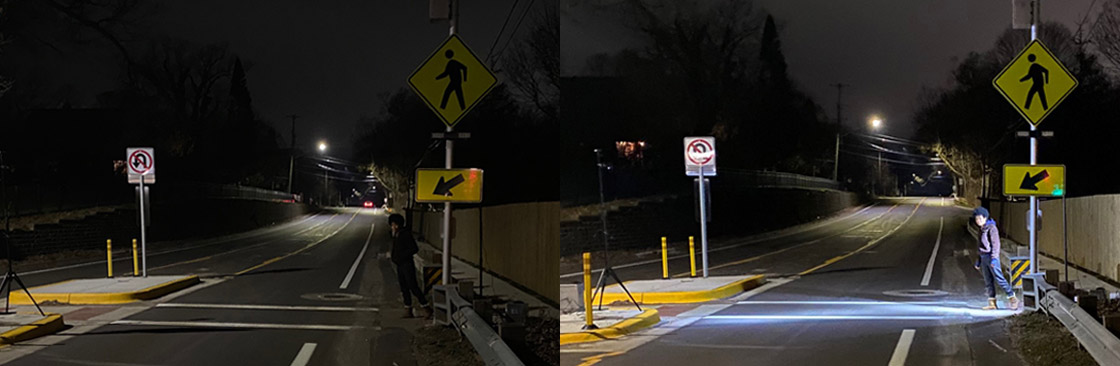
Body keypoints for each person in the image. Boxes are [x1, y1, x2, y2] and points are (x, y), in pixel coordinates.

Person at [386, 214, 432, 318]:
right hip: (399, 265)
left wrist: (402, 256)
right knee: (404, 287)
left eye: (393, 224)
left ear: (397, 224)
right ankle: (408, 308)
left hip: (407, 264)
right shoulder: (395, 235)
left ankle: (426, 307)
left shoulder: (405, 234)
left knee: (413, 286)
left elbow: (414, 248)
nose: (392, 227)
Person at [973, 207, 1020, 310]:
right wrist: (978, 260)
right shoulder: (982, 229)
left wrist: (994, 258)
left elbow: (996, 244)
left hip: (991, 257)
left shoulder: (992, 228)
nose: (978, 221)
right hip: (984, 257)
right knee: (988, 281)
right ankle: (992, 303)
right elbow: (980, 246)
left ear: (985, 218)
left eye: (980, 218)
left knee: (999, 279)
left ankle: (1013, 298)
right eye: (976, 219)